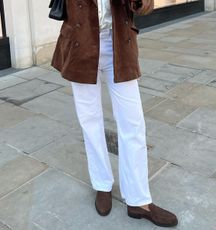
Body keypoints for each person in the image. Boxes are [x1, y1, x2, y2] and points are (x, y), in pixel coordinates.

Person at [51, 0, 178, 227]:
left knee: (133, 123)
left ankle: (139, 200)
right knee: (90, 121)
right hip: (81, 44)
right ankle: (102, 184)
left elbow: (146, 6)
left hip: (118, 43)